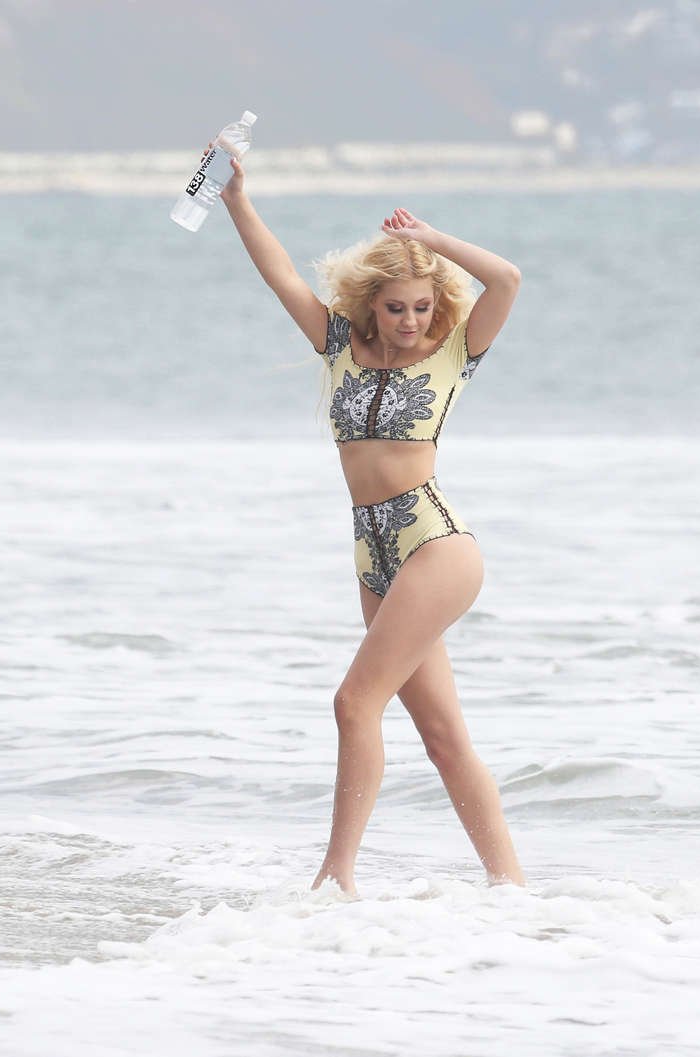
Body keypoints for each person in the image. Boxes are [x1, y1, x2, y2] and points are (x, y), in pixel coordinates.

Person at [220, 158, 525, 894]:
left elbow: (507, 280)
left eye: (421, 306)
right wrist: (236, 200)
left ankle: (336, 878)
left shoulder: (454, 355)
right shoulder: (338, 346)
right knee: (443, 738)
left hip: (435, 544)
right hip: (373, 553)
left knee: (354, 703)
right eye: (396, 308)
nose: (410, 321)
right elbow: (280, 273)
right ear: (371, 304)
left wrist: (431, 240)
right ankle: (511, 888)